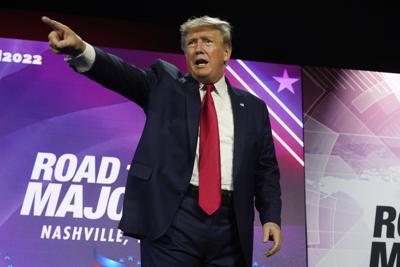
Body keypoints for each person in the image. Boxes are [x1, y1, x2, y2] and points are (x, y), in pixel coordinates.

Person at [42, 15, 282, 267]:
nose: (198, 48)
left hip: (231, 227)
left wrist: (271, 217)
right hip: (174, 219)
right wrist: (81, 48)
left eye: (208, 42)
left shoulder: (253, 108)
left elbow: (265, 169)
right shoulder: (165, 86)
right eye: (191, 43)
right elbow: (121, 74)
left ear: (226, 52)